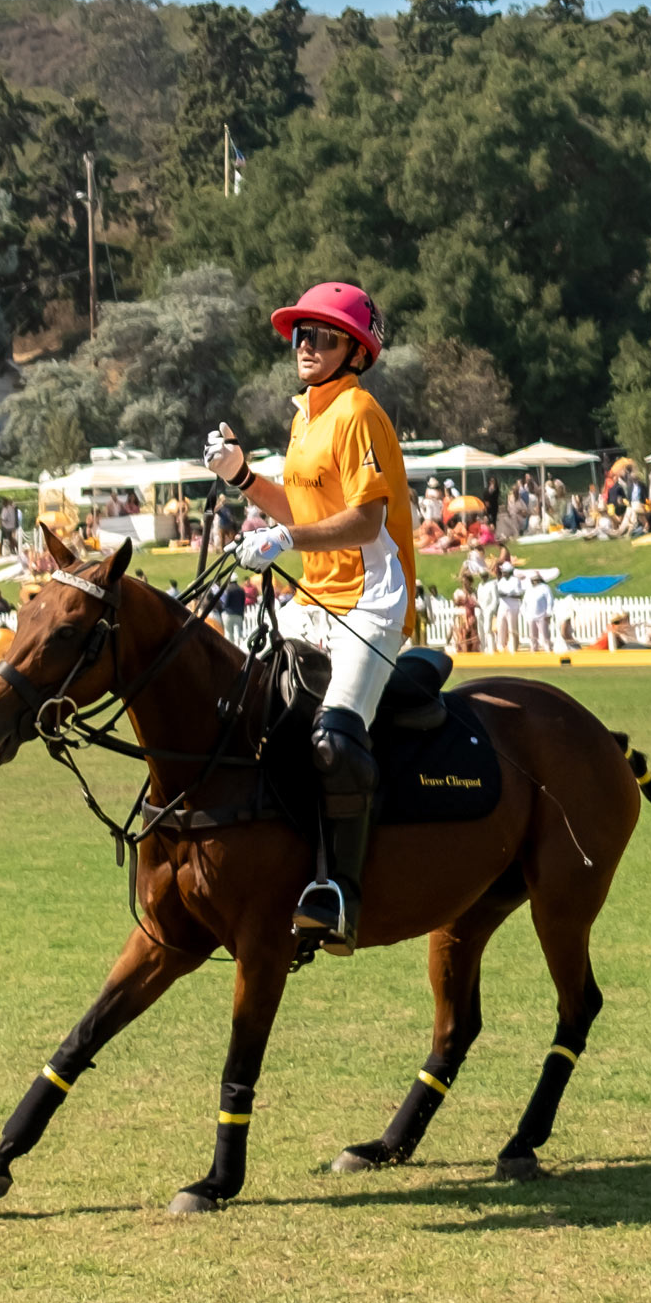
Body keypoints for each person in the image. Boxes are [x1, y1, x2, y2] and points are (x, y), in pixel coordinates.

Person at [205, 279, 413, 954]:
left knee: (333, 740)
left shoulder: (357, 411)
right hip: (315, 600)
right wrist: (244, 478)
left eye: (321, 335)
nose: (305, 345)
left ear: (356, 348)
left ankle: (340, 895)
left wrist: (285, 542)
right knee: (249, 709)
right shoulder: (306, 418)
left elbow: (364, 519)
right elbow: (305, 512)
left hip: (370, 601)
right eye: (300, 334)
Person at [522, 570, 554, 653]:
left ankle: (548, 648)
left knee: (545, 634)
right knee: (533, 635)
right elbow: (524, 602)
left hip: (542, 615)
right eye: (533, 580)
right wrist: (525, 614)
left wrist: (548, 613)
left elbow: (550, 600)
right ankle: (533, 649)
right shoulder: (529, 589)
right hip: (531, 615)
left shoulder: (545, 588)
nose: (534, 582)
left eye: (536, 580)